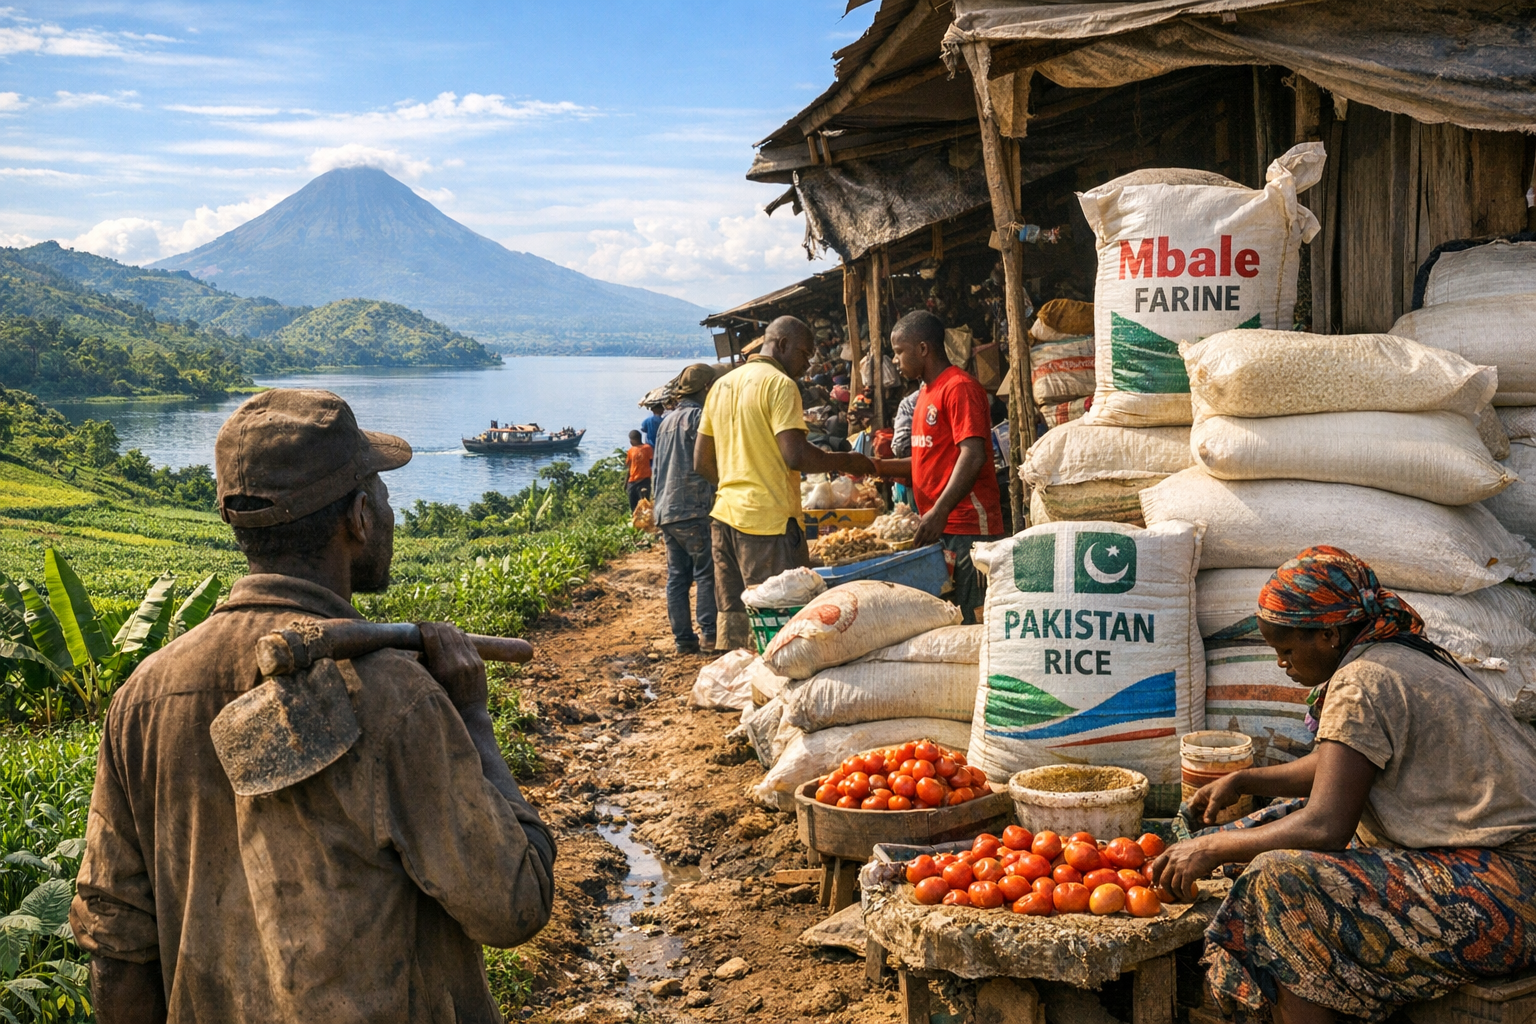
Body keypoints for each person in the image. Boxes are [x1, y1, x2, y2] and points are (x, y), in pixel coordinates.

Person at [71, 389, 555, 1024]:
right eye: (381, 493)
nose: (387, 508)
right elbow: (514, 901)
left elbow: (116, 944)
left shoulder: (145, 694)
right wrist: (471, 714)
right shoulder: (395, 696)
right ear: (358, 517)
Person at [1149, 546, 1536, 1024]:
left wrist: (1213, 851)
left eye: (1286, 650)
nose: (1281, 665)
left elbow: (1326, 827)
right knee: (1269, 822)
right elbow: (1338, 764)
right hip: (1487, 861)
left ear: (1330, 634)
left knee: (1280, 881)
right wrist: (1245, 779)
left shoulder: (1361, 682)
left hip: (1513, 887)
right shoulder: (1395, 656)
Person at [695, 315, 876, 650]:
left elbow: (702, 462)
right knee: (782, 626)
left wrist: (736, 485)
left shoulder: (722, 385)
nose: (807, 364)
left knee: (736, 619)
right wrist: (846, 461)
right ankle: (776, 694)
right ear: (781, 344)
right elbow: (795, 456)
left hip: (724, 519)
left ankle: (739, 690)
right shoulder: (780, 385)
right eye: (804, 354)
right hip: (768, 523)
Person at [873, 310, 1003, 624]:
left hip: (968, 528)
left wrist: (941, 509)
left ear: (922, 349)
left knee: (976, 619)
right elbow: (924, 460)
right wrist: (875, 466)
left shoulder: (958, 387)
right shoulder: (923, 396)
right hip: (939, 528)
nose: (896, 359)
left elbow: (973, 455)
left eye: (899, 351)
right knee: (952, 618)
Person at [652, 363, 718, 654]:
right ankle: (710, 633)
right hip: (694, 507)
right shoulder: (701, 418)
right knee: (706, 572)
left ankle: (683, 639)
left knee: (678, 577)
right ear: (706, 388)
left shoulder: (666, 421)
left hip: (667, 509)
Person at [890, 387, 920, 510]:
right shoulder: (914, 401)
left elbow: (900, 448)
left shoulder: (910, 402)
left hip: (911, 479)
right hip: (910, 479)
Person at [625, 428, 653, 510]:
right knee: (645, 506)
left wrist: (626, 483)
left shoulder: (631, 451)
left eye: (631, 440)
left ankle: (635, 520)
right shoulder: (648, 448)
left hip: (633, 481)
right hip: (645, 480)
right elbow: (652, 460)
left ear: (633, 440)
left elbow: (628, 466)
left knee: (633, 507)